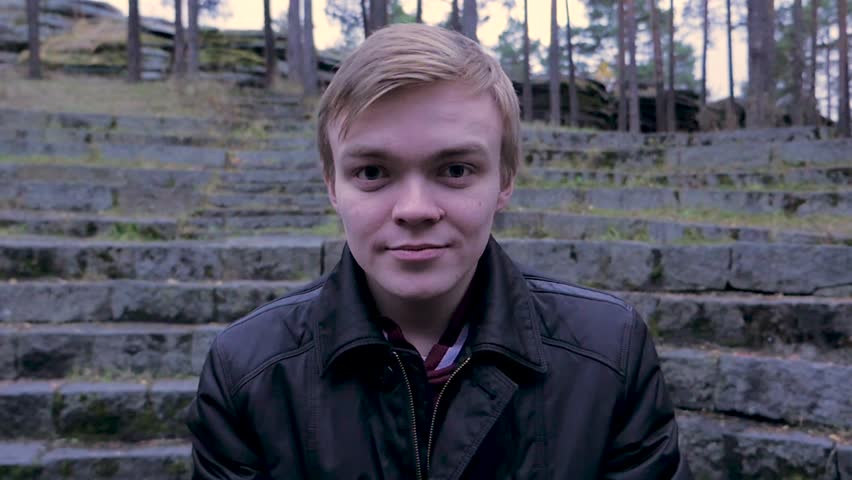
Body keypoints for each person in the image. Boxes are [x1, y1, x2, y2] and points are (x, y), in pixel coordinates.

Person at [187, 23, 692, 479]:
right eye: (372, 172)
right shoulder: (247, 371)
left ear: (505, 180)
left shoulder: (609, 353)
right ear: (332, 185)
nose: (414, 209)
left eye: (454, 170)